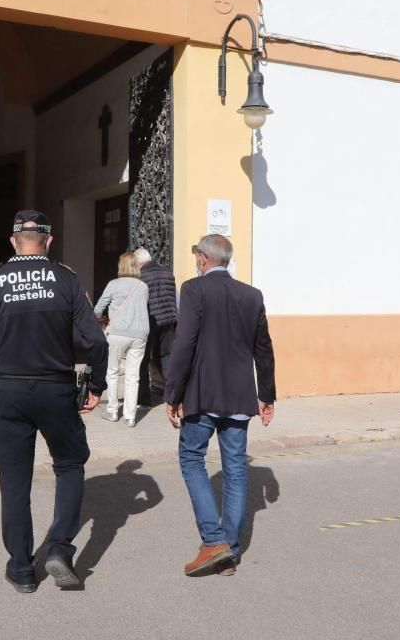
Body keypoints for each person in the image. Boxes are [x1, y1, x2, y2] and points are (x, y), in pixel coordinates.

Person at [0, 209, 109, 594]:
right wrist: (96, 385)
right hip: (56, 389)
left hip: (8, 389)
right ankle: (60, 548)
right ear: (48, 241)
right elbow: (96, 340)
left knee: (14, 481)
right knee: (70, 464)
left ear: (14, 241)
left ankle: (21, 569)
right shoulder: (66, 279)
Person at [164, 234, 276, 577]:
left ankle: (214, 541)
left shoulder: (194, 289)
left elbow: (184, 344)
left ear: (202, 259)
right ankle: (230, 550)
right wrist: (267, 395)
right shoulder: (251, 295)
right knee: (236, 468)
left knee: (191, 457)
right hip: (240, 396)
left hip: (202, 393)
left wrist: (173, 393)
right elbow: (264, 349)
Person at [93, 252, 150, 425]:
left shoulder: (113, 284)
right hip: (140, 334)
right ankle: (130, 417)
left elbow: (98, 309)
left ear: (121, 266)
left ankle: (112, 411)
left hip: (118, 332)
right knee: (133, 375)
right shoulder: (143, 286)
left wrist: (101, 319)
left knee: (112, 371)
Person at [134, 247, 177, 406]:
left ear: (139, 263)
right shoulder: (167, 271)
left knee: (143, 358)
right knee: (165, 355)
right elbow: (175, 295)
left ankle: (143, 398)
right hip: (168, 319)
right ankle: (174, 394)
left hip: (150, 319)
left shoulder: (141, 275)